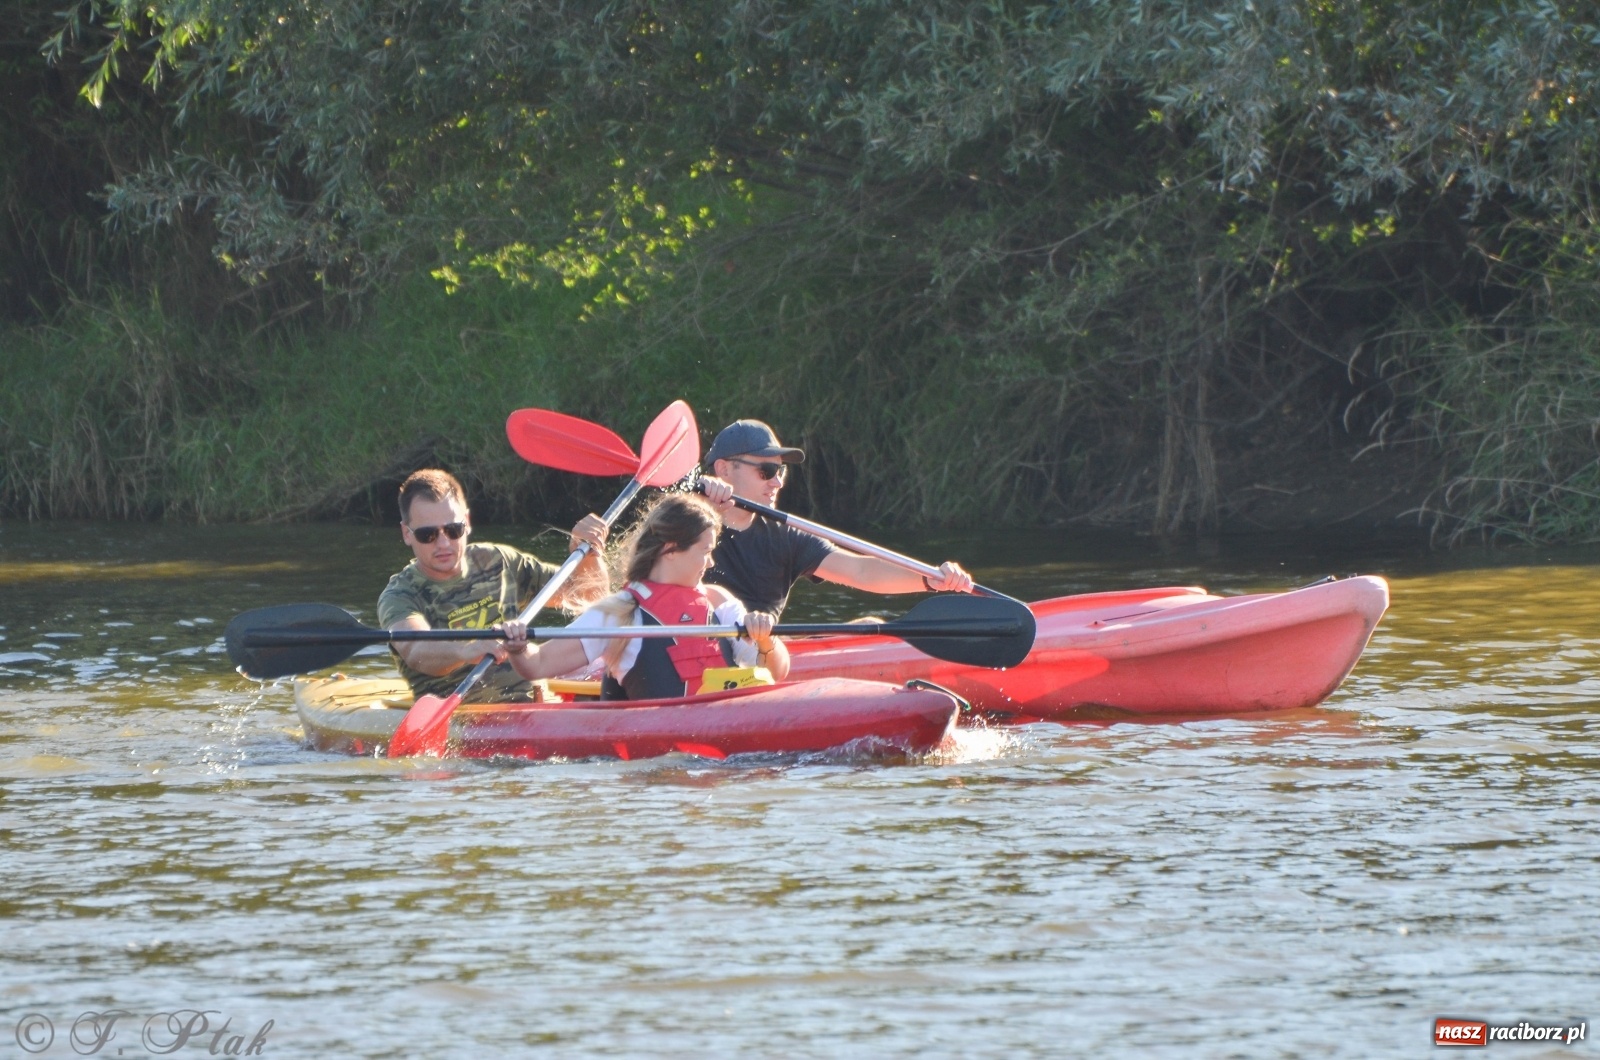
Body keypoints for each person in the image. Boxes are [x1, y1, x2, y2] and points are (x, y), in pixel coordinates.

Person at [499, 493, 789, 699]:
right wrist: (518, 647)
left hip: (721, 745)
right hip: (658, 765)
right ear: (671, 550)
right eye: (706, 552)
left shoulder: (718, 602)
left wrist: (766, 640)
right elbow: (538, 666)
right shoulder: (620, 613)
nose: (711, 563)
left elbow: (777, 672)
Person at [694, 419, 974, 617]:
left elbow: (861, 571)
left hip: (763, 654)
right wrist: (699, 511)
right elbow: (654, 569)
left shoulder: (788, 535)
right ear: (724, 470)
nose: (777, 483)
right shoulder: (686, 521)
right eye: (766, 471)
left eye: (780, 473)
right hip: (700, 652)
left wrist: (929, 579)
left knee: (871, 624)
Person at [376, 468, 610, 702]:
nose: (444, 543)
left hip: (534, 705)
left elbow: (591, 596)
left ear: (466, 522)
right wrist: (466, 650)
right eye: (428, 535)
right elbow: (416, 651)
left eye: (453, 530)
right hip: (464, 716)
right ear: (407, 534)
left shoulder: (498, 561)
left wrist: (589, 554)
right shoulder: (400, 595)